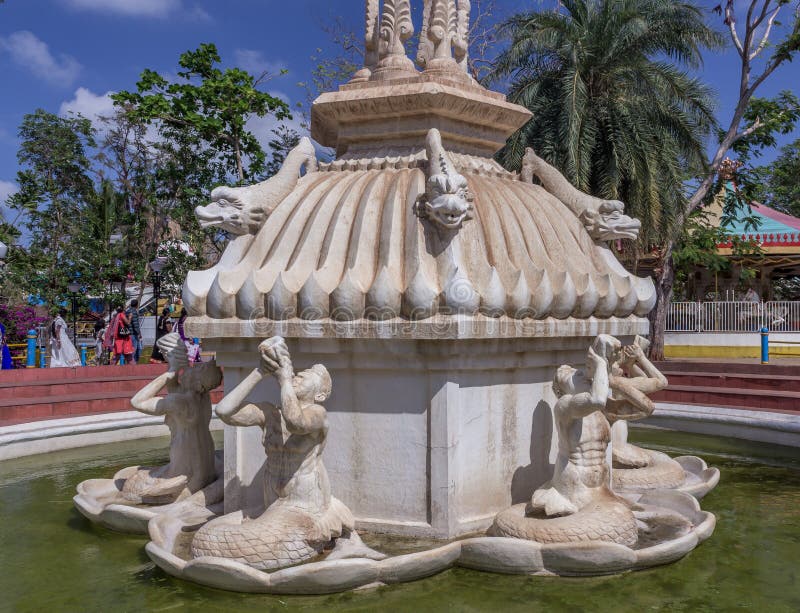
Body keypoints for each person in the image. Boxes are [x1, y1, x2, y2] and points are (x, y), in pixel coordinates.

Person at [126, 299, 142, 364]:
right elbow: (135, 324)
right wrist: (139, 333)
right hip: (133, 334)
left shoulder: (127, 311)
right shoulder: (134, 312)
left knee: (137, 349)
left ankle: (134, 362)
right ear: (137, 305)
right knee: (134, 349)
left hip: (129, 333)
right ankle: (132, 364)